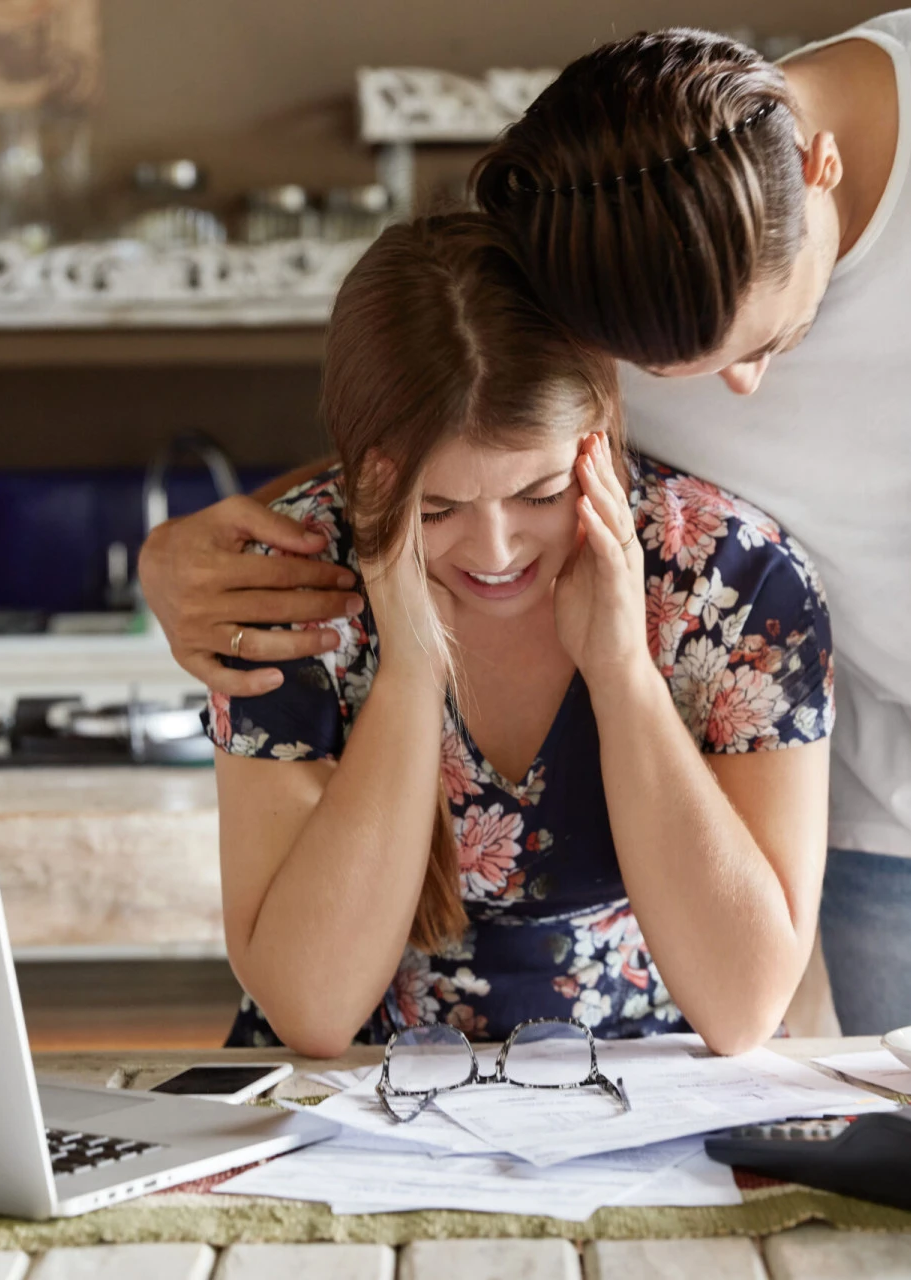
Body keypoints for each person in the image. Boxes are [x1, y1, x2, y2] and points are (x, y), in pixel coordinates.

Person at [145, 0, 911, 1036]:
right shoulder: (589, 271)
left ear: (820, 166)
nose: (740, 392)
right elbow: (459, 402)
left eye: (770, 338)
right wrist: (185, 553)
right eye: (680, 374)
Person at [209, 214, 834, 1057]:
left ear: (600, 433)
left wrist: (621, 673)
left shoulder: (738, 583)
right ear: (368, 476)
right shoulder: (288, 585)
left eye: (539, 494)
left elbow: (744, 1005)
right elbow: (311, 1012)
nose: (497, 553)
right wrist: (411, 670)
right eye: (438, 510)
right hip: (353, 1096)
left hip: (643, 1086)